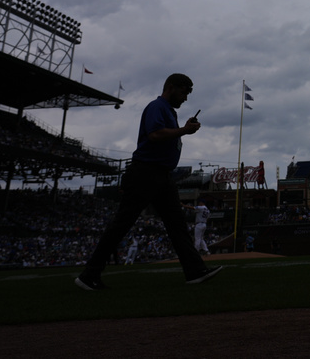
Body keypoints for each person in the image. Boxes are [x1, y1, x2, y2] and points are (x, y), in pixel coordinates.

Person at [75, 73, 222, 290]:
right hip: (145, 173)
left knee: (177, 225)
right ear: (171, 87)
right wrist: (183, 130)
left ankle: (194, 271)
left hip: (161, 175)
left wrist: (183, 127)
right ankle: (88, 276)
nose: (185, 98)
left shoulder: (168, 111)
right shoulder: (157, 106)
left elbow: (165, 135)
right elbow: (154, 135)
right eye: (184, 92)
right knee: (121, 225)